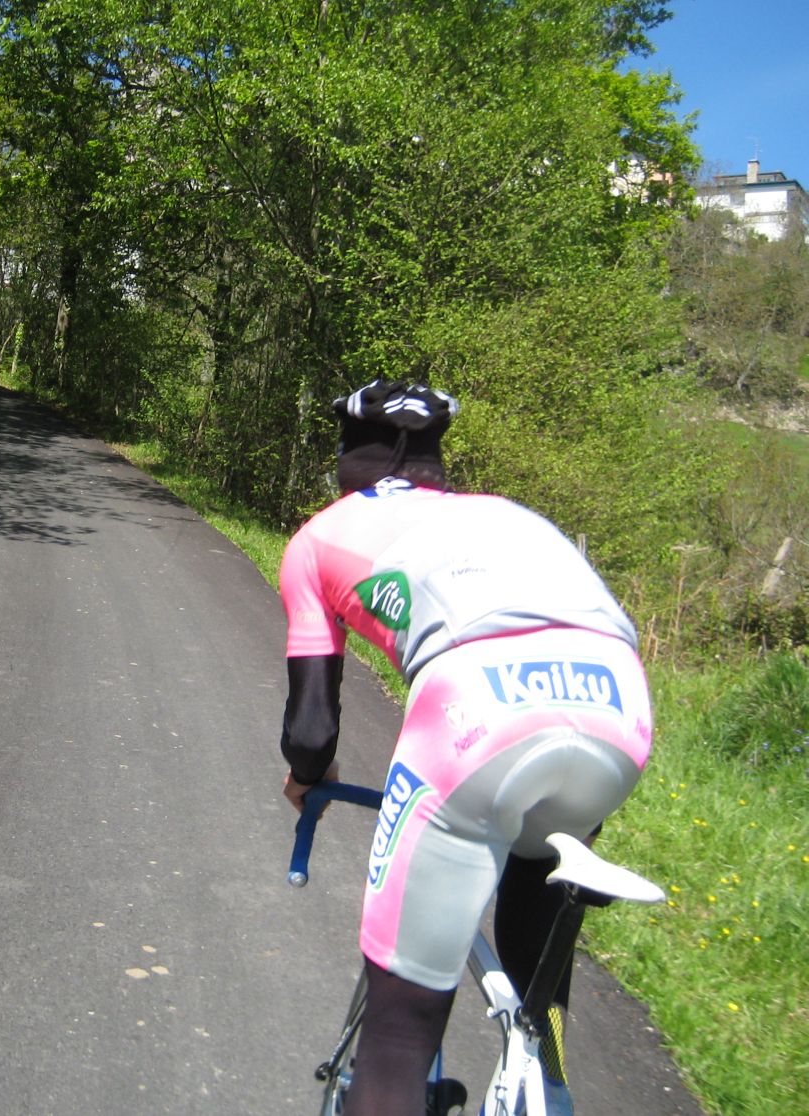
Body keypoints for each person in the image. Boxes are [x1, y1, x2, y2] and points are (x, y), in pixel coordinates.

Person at [278, 379, 652, 1116]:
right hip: (618, 708)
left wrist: (307, 778)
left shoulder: (320, 537)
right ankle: (547, 1072)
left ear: (349, 459)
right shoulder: (508, 514)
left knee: (400, 1035)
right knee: (539, 882)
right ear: (436, 466)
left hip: (478, 715)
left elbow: (312, 731)